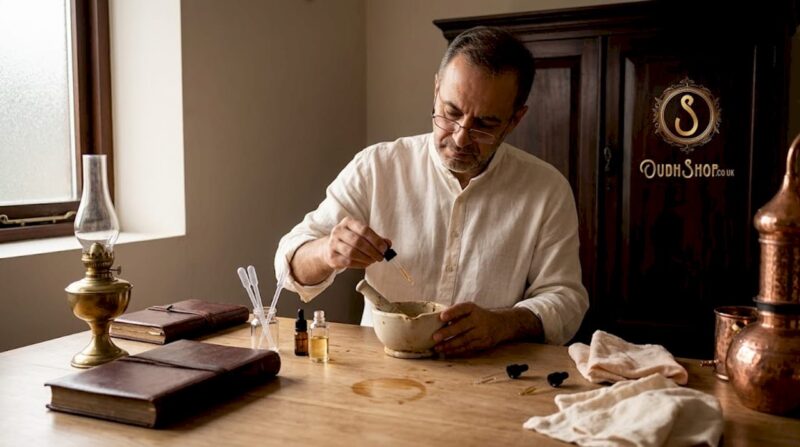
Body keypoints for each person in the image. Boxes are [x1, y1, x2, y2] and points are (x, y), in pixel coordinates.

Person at [274, 26, 588, 355]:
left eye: (484, 124)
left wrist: (503, 324)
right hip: (379, 377)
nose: (460, 138)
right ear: (437, 89)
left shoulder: (546, 190)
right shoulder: (377, 168)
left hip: (490, 375)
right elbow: (288, 265)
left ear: (514, 120)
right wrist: (328, 252)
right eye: (451, 113)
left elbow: (566, 300)